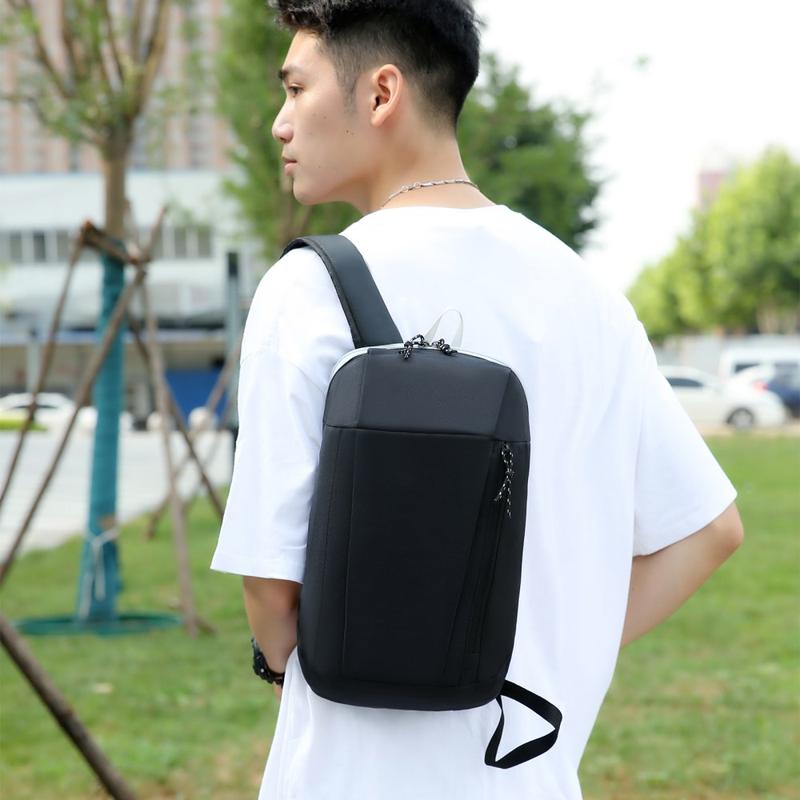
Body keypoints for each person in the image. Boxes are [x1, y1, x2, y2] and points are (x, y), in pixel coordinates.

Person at [209, 1, 745, 797]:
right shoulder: (589, 296)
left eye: (295, 89)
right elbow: (709, 530)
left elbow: (270, 590)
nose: (279, 124)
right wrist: (558, 652)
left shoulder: (307, 289)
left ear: (380, 93)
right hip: (530, 770)